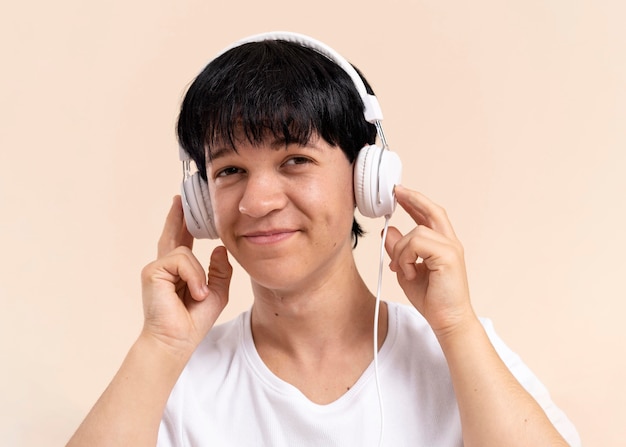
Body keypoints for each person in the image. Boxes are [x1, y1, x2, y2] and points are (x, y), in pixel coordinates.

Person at [66, 32, 580, 446]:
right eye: (229, 171)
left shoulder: (462, 354)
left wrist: (457, 325)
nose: (256, 201)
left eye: (295, 161)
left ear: (366, 179)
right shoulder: (169, 381)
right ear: (202, 201)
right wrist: (160, 346)